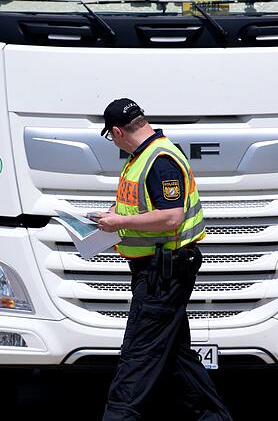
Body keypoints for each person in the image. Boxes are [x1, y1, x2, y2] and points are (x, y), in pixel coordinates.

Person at [94, 98, 232, 421]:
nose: (112, 142)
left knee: (135, 363)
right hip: (159, 271)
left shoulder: (160, 160)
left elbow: (171, 216)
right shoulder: (145, 156)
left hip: (162, 275)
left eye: (110, 137)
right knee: (178, 363)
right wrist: (116, 214)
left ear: (116, 132)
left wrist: (118, 223)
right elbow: (147, 207)